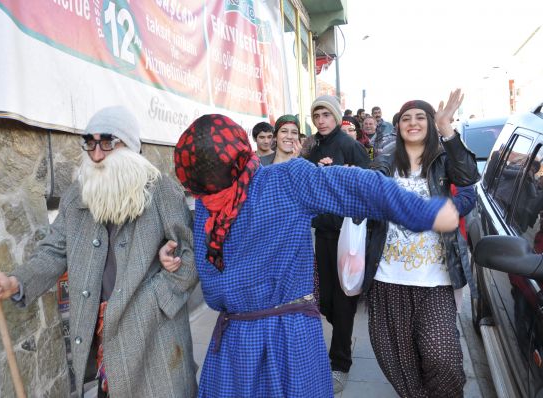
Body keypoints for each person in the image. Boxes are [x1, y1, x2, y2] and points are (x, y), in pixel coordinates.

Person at [169, 113, 459, 397]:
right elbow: (358, 186)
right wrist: (426, 211)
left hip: (235, 344)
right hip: (290, 338)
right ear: (242, 148)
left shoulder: (207, 206)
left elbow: (210, 282)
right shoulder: (285, 179)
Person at [0, 106, 198, 397]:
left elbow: (191, 256)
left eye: (107, 143)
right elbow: (54, 251)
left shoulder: (162, 192)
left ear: (130, 146)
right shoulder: (77, 197)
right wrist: (15, 282)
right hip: (104, 343)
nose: (96, 154)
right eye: (90, 143)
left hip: (155, 341)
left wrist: (155, 299)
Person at [364, 90, 479, 398]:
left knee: (443, 357)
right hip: (387, 280)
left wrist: (447, 129)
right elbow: (368, 199)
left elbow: (469, 176)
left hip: (436, 280)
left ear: (430, 123)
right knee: (397, 363)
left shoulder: (443, 159)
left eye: (420, 117)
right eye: (405, 118)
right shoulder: (385, 161)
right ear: (397, 125)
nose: (412, 123)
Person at [306, 95, 370, 391]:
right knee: (327, 300)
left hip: (347, 233)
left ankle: (340, 363)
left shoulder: (349, 146)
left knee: (344, 299)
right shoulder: (313, 147)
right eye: (316, 115)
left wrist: (340, 176)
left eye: (326, 115)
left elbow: (368, 184)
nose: (321, 120)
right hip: (323, 234)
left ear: (335, 117)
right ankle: (344, 335)